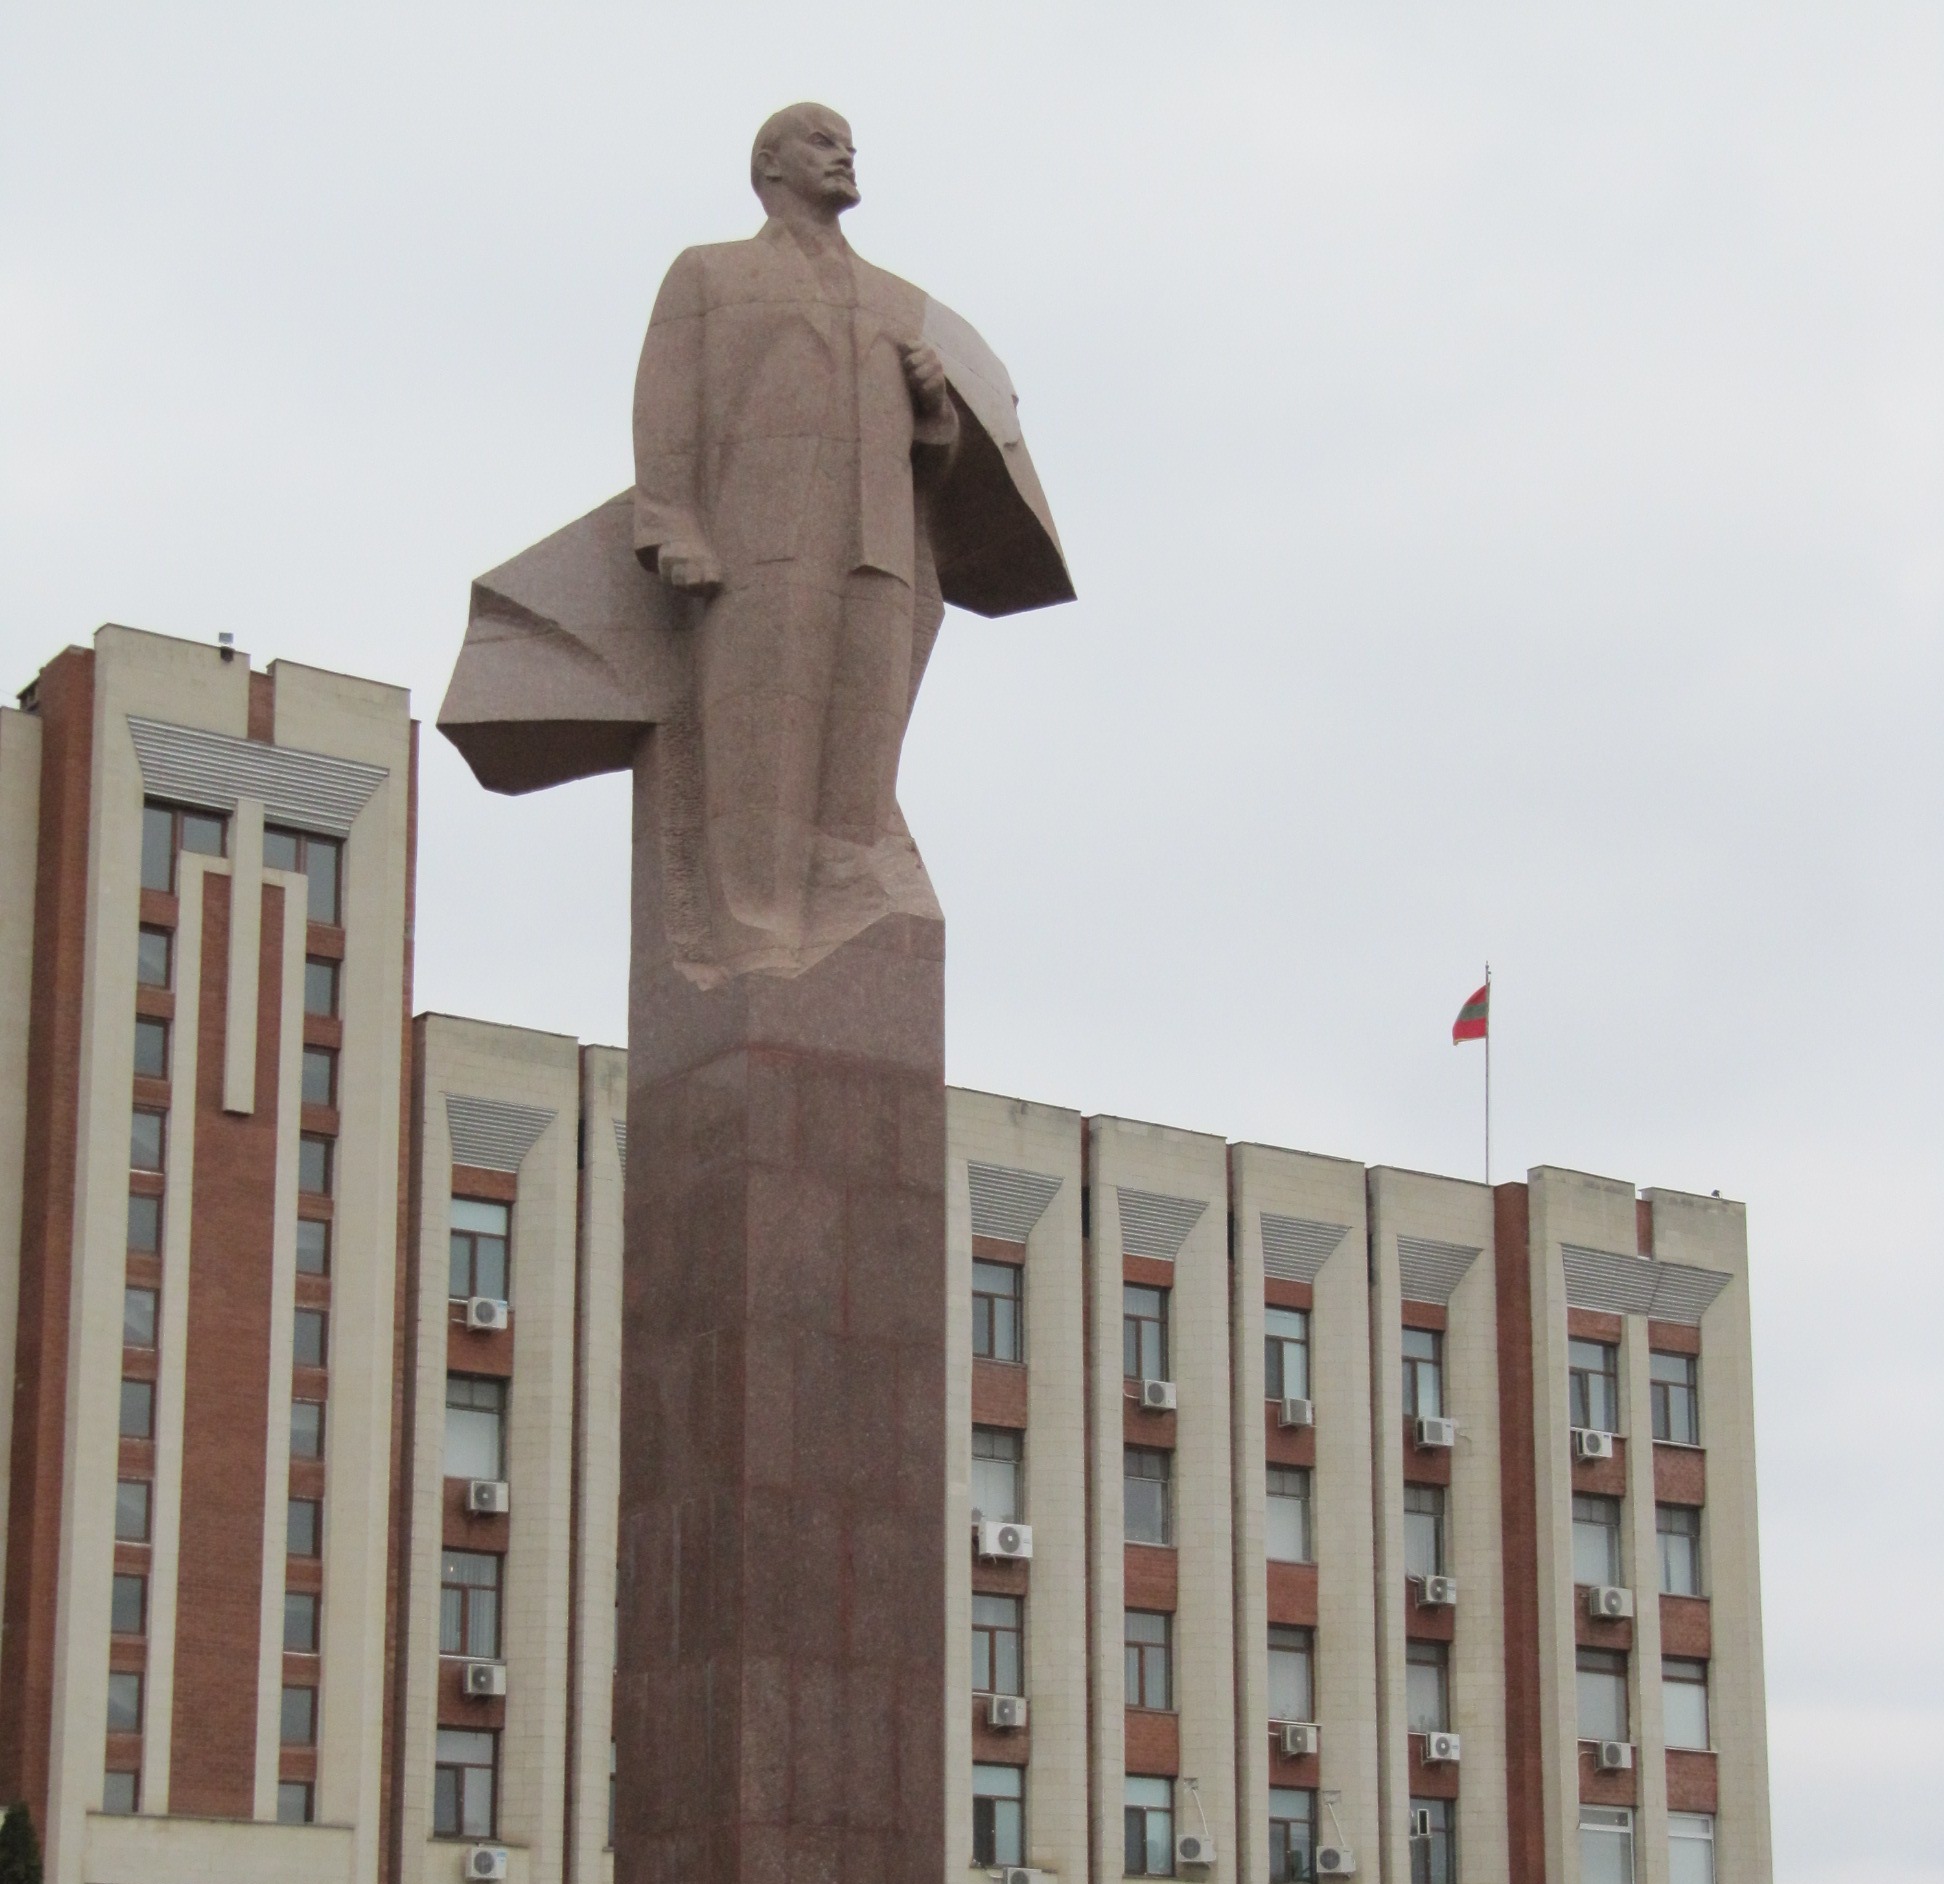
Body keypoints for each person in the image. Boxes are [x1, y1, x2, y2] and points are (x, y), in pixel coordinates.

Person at [631, 102, 965, 975]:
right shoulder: (711, 273)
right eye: (822, 141)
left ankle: (844, 906)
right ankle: (757, 927)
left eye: (850, 145)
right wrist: (672, 525)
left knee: (863, 763)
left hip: (879, 545)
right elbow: (667, 408)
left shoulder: (898, 300)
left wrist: (935, 407)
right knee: (761, 750)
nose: (845, 155)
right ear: (769, 163)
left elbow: (934, 460)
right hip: (761, 545)